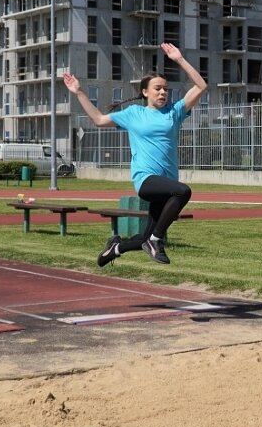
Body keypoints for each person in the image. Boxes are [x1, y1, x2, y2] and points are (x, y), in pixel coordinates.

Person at [63, 43, 207, 266]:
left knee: (144, 237)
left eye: (165, 89)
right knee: (183, 192)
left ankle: (115, 248)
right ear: (145, 92)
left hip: (166, 183)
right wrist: (79, 92)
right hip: (145, 179)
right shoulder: (133, 114)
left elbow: (200, 86)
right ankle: (155, 240)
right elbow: (99, 120)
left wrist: (179, 59)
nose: (163, 92)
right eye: (157, 88)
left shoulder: (174, 112)